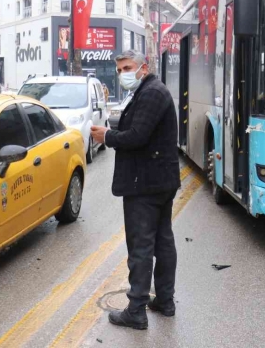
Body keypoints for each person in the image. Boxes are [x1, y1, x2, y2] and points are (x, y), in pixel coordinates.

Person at [90, 50, 180, 330]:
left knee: (141, 246)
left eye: (126, 67)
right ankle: (164, 300)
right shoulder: (149, 90)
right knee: (162, 241)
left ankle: (136, 310)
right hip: (159, 181)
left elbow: (138, 136)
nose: (122, 74)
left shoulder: (152, 92)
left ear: (143, 67)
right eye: (118, 70)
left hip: (147, 184)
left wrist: (107, 136)